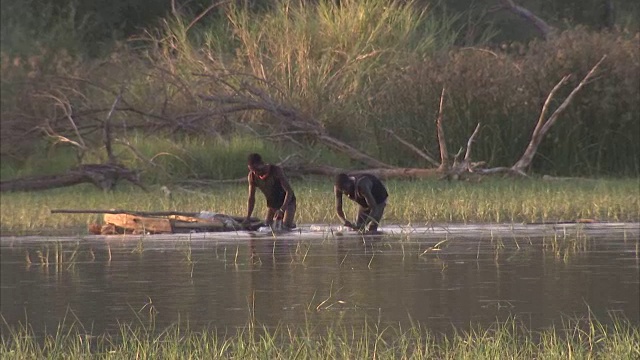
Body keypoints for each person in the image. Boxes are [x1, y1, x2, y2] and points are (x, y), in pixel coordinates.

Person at [244, 153, 296, 230]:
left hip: (288, 203)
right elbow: (251, 198)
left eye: (256, 169)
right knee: (267, 227)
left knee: (285, 227)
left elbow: (289, 191)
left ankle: (291, 225)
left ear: (262, 164)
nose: (255, 173)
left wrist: (282, 210)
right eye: (252, 170)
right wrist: (248, 217)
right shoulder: (252, 176)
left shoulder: (276, 171)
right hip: (272, 204)